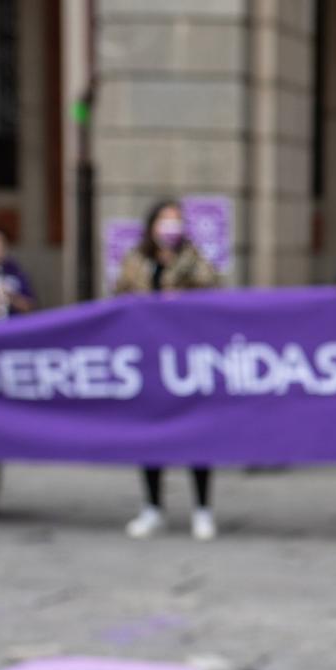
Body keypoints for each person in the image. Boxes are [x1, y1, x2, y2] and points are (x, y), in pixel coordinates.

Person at [115, 199, 220, 541]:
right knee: (149, 434)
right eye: (165, 220)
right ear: (152, 225)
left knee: (197, 435)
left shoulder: (194, 260)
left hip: (187, 359)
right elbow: (118, 298)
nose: (170, 227)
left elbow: (216, 292)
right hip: (148, 358)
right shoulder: (136, 261)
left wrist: (184, 292)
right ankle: (153, 507)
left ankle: (202, 509)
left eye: (176, 221)